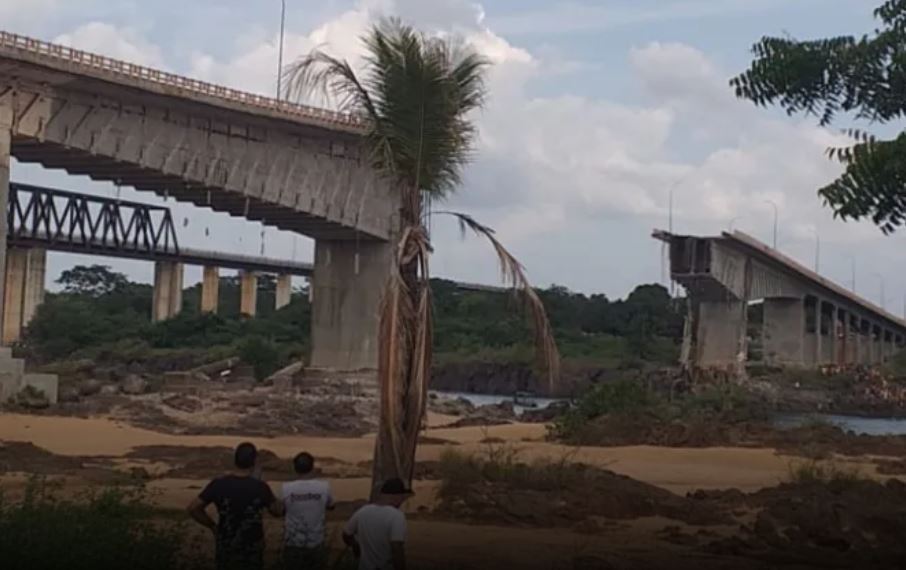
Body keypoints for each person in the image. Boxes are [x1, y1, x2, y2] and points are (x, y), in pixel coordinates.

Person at [187, 442, 283, 570]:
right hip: (252, 544)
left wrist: (212, 526)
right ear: (253, 462)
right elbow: (277, 512)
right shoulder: (260, 487)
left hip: (226, 541)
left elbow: (193, 508)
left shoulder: (218, 484)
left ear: (235, 460)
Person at [342, 478, 412, 570]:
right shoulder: (397, 516)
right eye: (402, 498)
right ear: (397, 497)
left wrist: (356, 545)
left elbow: (346, 534)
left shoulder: (363, 511)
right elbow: (397, 548)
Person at [281, 452, 335, 570]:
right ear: (312, 467)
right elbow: (331, 505)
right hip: (316, 541)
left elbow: (282, 509)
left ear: (295, 468)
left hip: (293, 542)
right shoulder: (324, 486)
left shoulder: (286, 488)